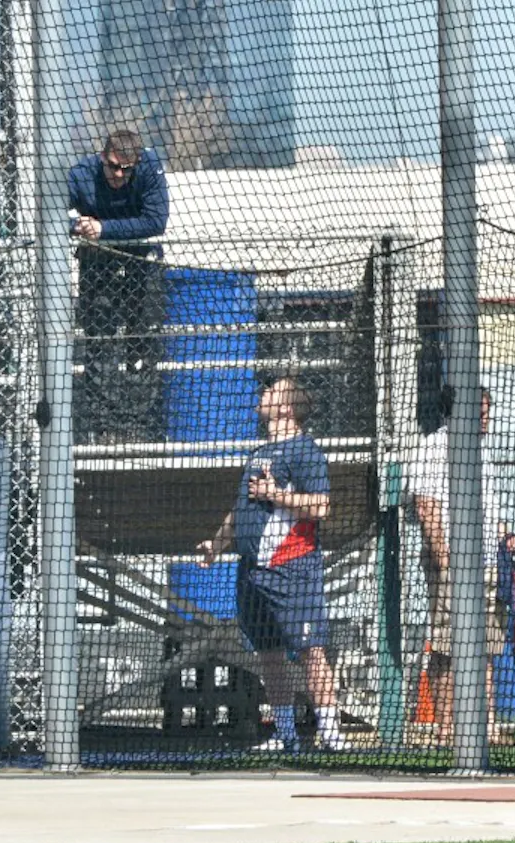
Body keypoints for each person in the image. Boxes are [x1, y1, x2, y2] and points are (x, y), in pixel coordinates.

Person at [195, 377, 345, 752]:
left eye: (271, 391)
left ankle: (331, 735)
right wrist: (216, 543)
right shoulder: (258, 452)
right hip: (251, 572)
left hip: (291, 567)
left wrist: (275, 493)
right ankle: (285, 734)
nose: (263, 394)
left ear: (287, 407)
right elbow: (241, 508)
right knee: (269, 653)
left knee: (312, 650)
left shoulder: (304, 452)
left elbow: (322, 507)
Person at [410, 385, 509, 745]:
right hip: (452, 564)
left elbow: (489, 509)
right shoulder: (435, 447)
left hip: (486, 562)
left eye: (487, 411)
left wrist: (506, 539)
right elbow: (427, 508)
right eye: (478, 411)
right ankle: (447, 727)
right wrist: (446, 563)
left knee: (483, 647)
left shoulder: (481, 451)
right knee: (445, 647)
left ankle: (487, 724)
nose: (485, 418)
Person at [67, 128, 169, 443]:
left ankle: (138, 425)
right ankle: (103, 426)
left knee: (141, 343)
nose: (119, 174)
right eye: (113, 166)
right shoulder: (81, 174)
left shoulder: (150, 168)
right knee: (100, 343)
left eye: (126, 169)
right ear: (103, 158)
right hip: (99, 266)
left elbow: (156, 221)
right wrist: (77, 225)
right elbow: (50, 212)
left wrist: (105, 228)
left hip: (141, 263)